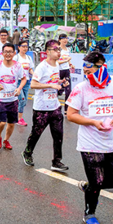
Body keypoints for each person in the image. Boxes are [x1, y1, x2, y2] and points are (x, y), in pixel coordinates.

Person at [66, 51, 113, 224]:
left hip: (111, 143)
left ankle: (89, 186)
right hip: (89, 144)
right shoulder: (81, 88)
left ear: (101, 67)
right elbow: (71, 115)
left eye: (89, 72)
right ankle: (89, 213)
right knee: (97, 182)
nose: (86, 76)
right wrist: (92, 122)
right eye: (85, 72)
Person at [22, 40, 69, 171]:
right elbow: (34, 84)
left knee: (58, 135)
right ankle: (27, 152)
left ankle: (56, 161)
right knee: (36, 133)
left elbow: (52, 80)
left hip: (55, 106)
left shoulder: (56, 65)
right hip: (41, 108)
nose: (59, 52)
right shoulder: (42, 66)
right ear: (48, 51)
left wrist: (60, 82)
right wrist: (51, 85)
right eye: (56, 50)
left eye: (59, 49)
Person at [0, 43, 26, 150]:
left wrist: (19, 89)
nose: (8, 54)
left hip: (13, 99)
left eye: (10, 52)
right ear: (2, 53)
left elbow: (24, 78)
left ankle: (6, 140)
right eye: (6, 52)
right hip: (0, 99)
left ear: (14, 53)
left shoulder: (18, 66)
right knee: (2, 122)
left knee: (11, 123)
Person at [13, 40, 34, 126]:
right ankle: (19, 119)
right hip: (18, 82)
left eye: (26, 46)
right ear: (19, 47)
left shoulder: (29, 58)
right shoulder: (16, 58)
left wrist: (35, 75)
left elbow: (30, 69)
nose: (25, 48)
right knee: (22, 100)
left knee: (24, 102)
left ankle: (15, 113)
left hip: (27, 81)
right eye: (23, 46)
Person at [58, 34, 74, 114]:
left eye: (66, 38)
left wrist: (70, 64)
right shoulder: (58, 49)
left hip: (66, 71)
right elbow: (56, 62)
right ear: (59, 40)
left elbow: (68, 60)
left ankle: (66, 109)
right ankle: (54, 107)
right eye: (63, 38)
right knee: (57, 89)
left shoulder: (67, 49)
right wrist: (66, 60)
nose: (65, 40)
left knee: (68, 90)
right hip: (59, 71)